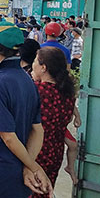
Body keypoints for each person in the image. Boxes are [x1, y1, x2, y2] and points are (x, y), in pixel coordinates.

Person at [0, 21, 52, 198]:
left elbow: (8, 136)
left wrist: (33, 167)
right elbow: (37, 130)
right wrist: (28, 165)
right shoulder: (26, 79)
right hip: (16, 173)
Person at [31, 47, 76, 197]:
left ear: (43, 68)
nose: (33, 65)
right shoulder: (68, 92)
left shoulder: (36, 91)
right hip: (55, 152)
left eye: (35, 61)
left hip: (34, 153)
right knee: (46, 190)